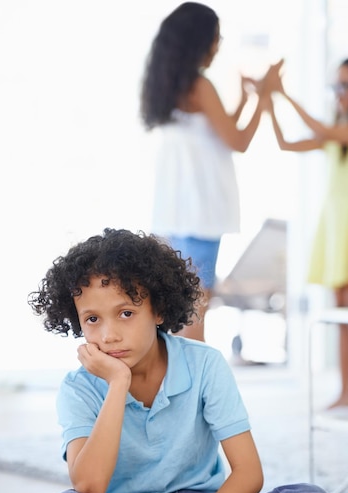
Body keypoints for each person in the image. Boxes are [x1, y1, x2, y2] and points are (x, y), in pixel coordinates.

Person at [28, 228, 334, 493]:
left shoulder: (204, 364)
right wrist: (118, 384)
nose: (108, 336)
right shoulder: (79, 388)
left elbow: (248, 475)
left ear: (158, 310)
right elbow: (88, 486)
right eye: (92, 319)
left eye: (126, 312)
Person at [264, 57, 348, 408]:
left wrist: (283, 94)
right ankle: (345, 392)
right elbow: (287, 144)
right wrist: (269, 104)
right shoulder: (337, 130)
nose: (339, 93)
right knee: (342, 315)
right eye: (336, 86)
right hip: (337, 225)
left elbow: (325, 132)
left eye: (346, 85)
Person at [140, 2, 280, 341]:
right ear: (200, 40)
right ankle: (194, 393)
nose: (218, 47)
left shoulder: (168, 86)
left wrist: (248, 100)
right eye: (216, 38)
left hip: (175, 214)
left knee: (178, 309)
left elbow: (215, 130)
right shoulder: (200, 86)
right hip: (200, 214)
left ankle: (174, 390)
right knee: (196, 311)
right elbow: (238, 140)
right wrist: (265, 97)